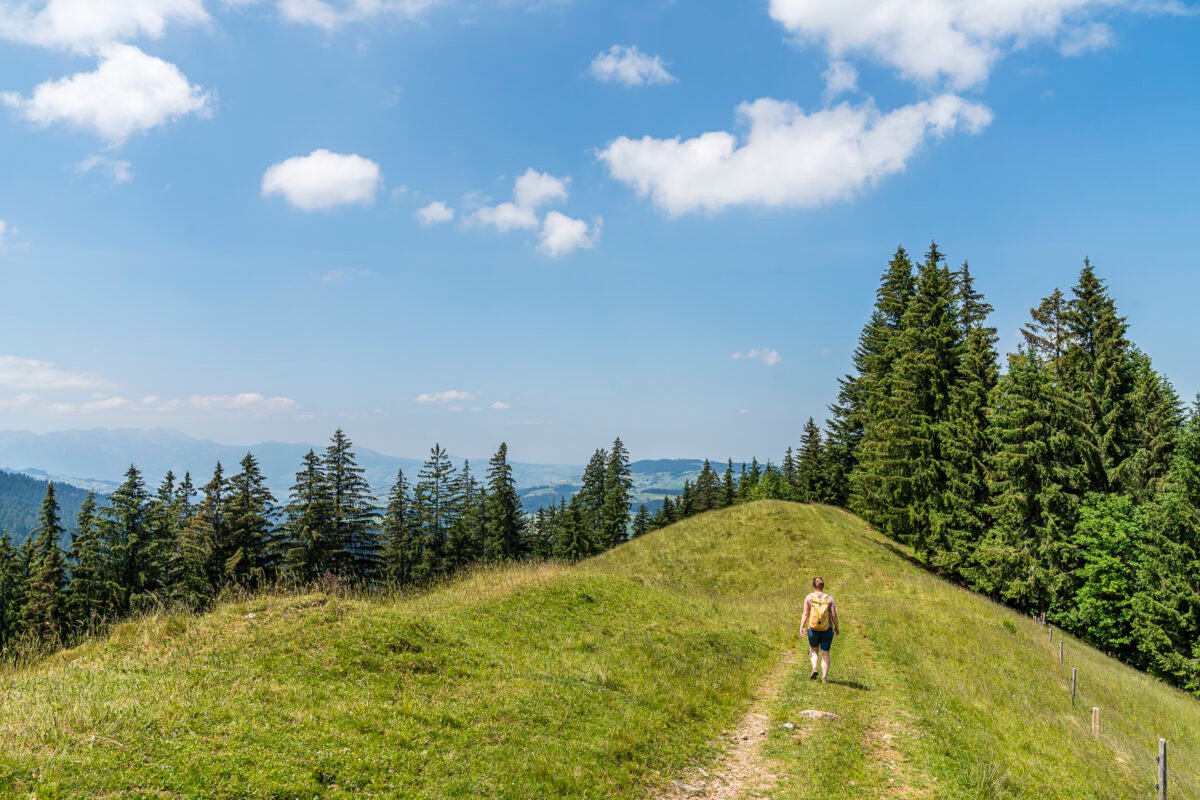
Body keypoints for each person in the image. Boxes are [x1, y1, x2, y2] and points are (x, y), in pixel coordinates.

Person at [800, 576, 839, 683]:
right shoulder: (829, 598)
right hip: (827, 629)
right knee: (825, 653)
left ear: (813, 585)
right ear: (823, 586)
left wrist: (802, 626)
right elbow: (834, 615)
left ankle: (814, 668)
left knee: (813, 649)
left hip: (813, 629)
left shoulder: (809, 597)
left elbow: (805, 613)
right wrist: (837, 626)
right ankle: (824, 678)